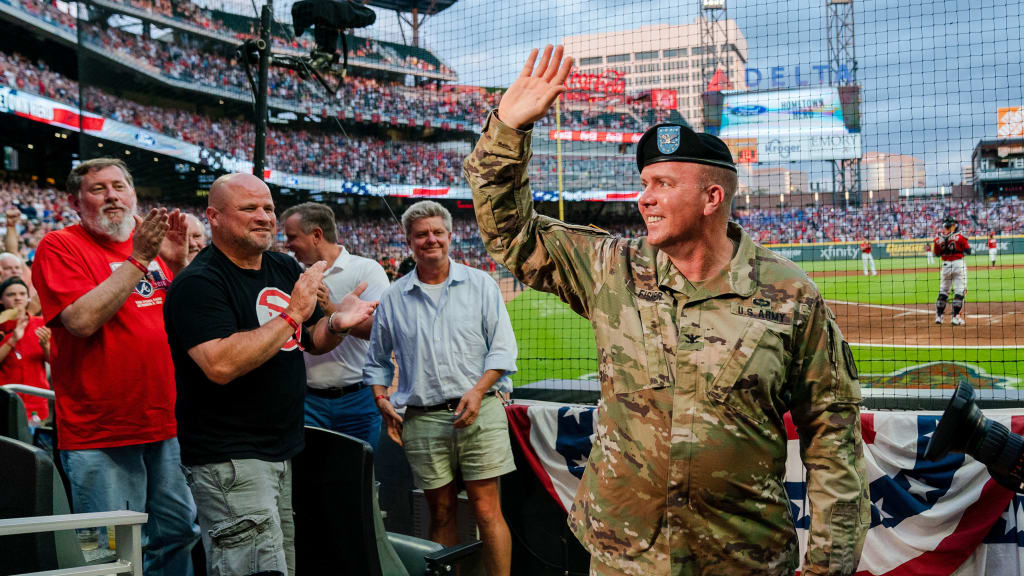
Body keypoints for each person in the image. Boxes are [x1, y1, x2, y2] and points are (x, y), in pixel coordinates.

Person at [464, 46, 870, 575]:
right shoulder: (611, 269)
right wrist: (507, 131)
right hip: (624, 556)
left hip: (741, 559)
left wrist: (828, 566)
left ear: (711, 197)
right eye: (643, 183)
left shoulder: (790, 296)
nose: (643, 198)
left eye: (662, 184)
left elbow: (832, 435)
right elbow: (512, 234)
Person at [164, 173, 377, 576]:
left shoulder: (281, 267)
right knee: (251, 569)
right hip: (230, 459)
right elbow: (221, 364)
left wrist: (337, 323)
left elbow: (311, 341)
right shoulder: (199, 283)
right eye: (249, 208)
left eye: (268, 209)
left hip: (281, 451)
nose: (263, 217)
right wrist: (293, 313)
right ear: (214, 216)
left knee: (279, 566)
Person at [31, 157, 199, 575]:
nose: (112, 196)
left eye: (119, 186)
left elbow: (182, 321)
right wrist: (141, 259)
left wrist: (177, 268)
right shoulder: (60, 245)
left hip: (166, 422)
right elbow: (82, 321)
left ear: (133, 194)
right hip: (101, 430)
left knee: (179, 532)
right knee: (113, 555)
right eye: (98, 189)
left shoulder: (153, 246)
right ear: (76, 201)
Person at [364, 200, 518, 576]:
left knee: (486, 508)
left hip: (480, 413)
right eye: (421, 235)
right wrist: (381, 398)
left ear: (451, 237)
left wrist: (478, 391)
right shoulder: (393, 297)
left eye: (437, 233)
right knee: (441, 510)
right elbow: (377, 361)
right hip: (422, 418)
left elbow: (502, 350)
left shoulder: (480, 283)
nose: (430, 240)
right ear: (409, 241)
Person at [281, 202, 389, 451]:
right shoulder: (290, 272)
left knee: (359, 478)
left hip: (358, 396)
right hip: (307, 398)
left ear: (317, 235)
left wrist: (330, 308)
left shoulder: (365, 270)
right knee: (312, 479)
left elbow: (380, 331)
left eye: (292, 237)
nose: (287, 244)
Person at [0, 276, 51, 422]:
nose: (18, 298)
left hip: (37, 404)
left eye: (22, 294)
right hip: (6, 402)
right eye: (11, 294)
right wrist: (12, 340)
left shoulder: (41, 324)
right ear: (1, 300)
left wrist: (46, 346)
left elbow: (54, 362)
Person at [934, 216, 971, 326]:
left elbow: (936, 254)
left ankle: (939, 317)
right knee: (960, 291)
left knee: (943, 291)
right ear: (953, 225)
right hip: (959, 265)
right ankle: (955, 317)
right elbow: (968, 251)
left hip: (945, 266)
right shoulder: (960, 236)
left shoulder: (937, 239)